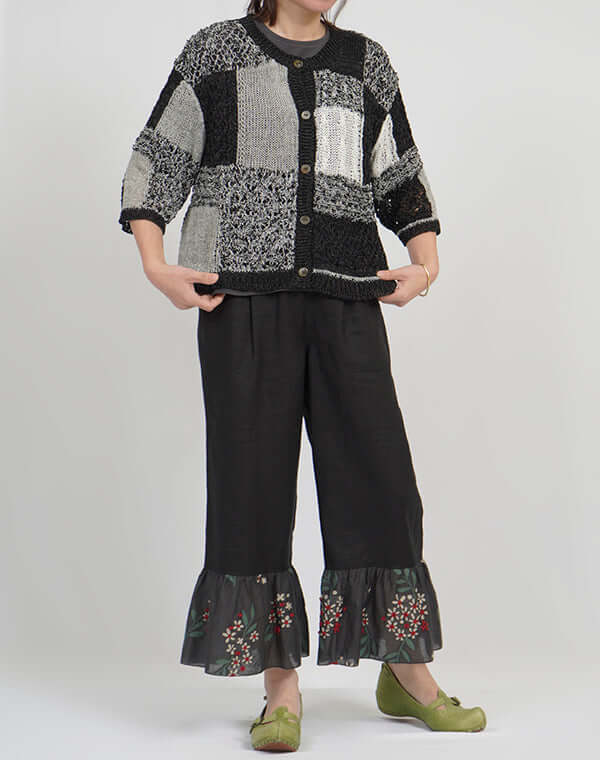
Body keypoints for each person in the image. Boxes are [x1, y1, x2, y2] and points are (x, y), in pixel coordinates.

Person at [118, 0, 487, 750]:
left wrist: (425, 265)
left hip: (348, 297)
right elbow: (160, 156)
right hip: (241, 299)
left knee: (381, 481)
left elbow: (399, 174)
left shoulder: (365, 62)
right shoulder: (217, 51)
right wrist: (155, 263)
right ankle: (280, 688)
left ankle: (406, 672)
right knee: (251, 487)